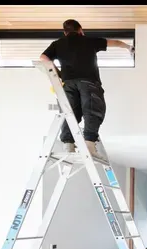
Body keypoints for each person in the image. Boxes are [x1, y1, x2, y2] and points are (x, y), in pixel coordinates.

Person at [39, 19, 134, 159]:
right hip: (88, 82)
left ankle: (68, 145)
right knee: (92, 110)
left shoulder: (57, 44)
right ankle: (90, 146)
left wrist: (58, 74)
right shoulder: (89, 41)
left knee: (71, 113)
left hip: (68, 84)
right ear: (81, 30)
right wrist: (129, 48)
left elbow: (43, 58)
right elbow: (116, 42)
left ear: (65, 33)